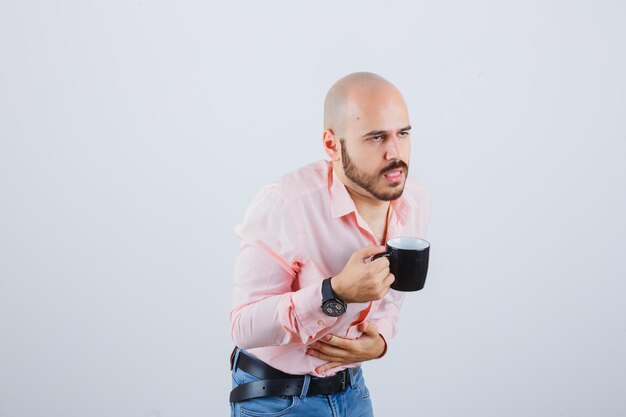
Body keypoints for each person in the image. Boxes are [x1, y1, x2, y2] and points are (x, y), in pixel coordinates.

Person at [229, 72, 431, 416]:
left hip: (351, 390)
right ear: (331, 145)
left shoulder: (412, 200)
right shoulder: (285, 204)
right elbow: (244, 327)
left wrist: (380, 339)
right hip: (276, 399)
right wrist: (333, 294)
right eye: (376, 137)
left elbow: (392, 294)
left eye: (403, 133)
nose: (395, 152)